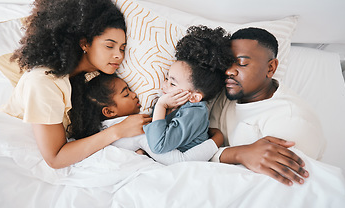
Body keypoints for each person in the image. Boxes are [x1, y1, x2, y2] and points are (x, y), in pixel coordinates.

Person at [0, 0, 151, 169]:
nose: (118, 55)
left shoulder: (85, 77)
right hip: (11, 151)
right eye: (109, 46)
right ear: (84, 43)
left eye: (122, 48)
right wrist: (118, 131)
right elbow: (55, 158)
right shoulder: (43, 82)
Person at [209, 27, 326, 186]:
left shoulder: (292, 120)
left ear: (271, 68)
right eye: (227, 63)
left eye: (242, 63)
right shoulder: (227, 94)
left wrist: (229, 154)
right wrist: (239, 154)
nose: (229, 71)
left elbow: (276, 189)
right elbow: (200, 149)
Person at [69, 73, 221, 165]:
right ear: (109, 111)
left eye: (129, 89)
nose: (134, 94)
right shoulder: (137, 129)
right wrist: (217, 139)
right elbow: (181, 161)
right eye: (126, 94)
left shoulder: (101, 129)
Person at [143, 25, 234, 154]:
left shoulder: (195, 113)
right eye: (166, 78)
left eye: (173, 84)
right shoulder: (175, 105)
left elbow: (158, 146)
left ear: (194, 97)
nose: (165, 84)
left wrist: (161, 106)